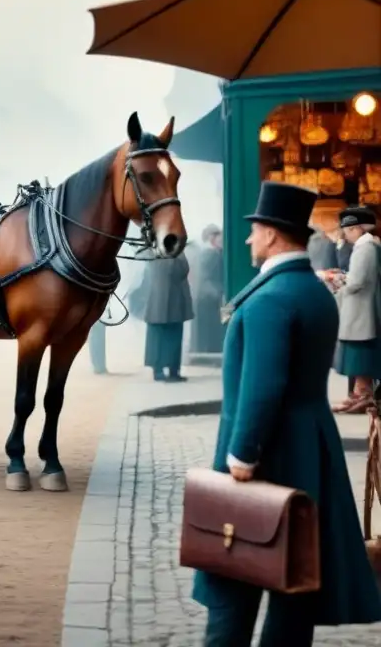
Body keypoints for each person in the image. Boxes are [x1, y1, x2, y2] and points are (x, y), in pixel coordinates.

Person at [193, 181, 381, 645]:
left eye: (254, 230)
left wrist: (241, 456)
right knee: (295, 584)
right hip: (309, 452)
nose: (248, 239)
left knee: (232, 586)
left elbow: (263, 386)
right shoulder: (312, 290)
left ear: (274, 234)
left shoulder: (270, 299)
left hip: (265, 457)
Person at [328, 206, 381, 415]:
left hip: (359, 310)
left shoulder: (365, 248)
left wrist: (338, 280)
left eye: (349, 230)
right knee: (357, 355)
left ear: (359, 228)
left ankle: (362, 396)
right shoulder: (368, 246)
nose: (346, 234)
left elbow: (357, 281)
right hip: (360, 309)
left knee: (359, 355)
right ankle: (359, 395)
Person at [141, 248, 193, 382]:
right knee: (169, 336)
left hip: (163, 300)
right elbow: (182, 269)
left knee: (161, 337)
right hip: (169, 300)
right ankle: (169, 370)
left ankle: (165, 370)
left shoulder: (153, 250)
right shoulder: (171, 251)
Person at [190, 224, 225, 355]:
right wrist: (219, 293)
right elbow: (207, 279)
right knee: (209, 331)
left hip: (206, 298)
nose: (220, 239)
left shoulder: (207, 253)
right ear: (211, 238)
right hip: (209, 299)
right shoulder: (209, 254)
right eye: (217, 236)